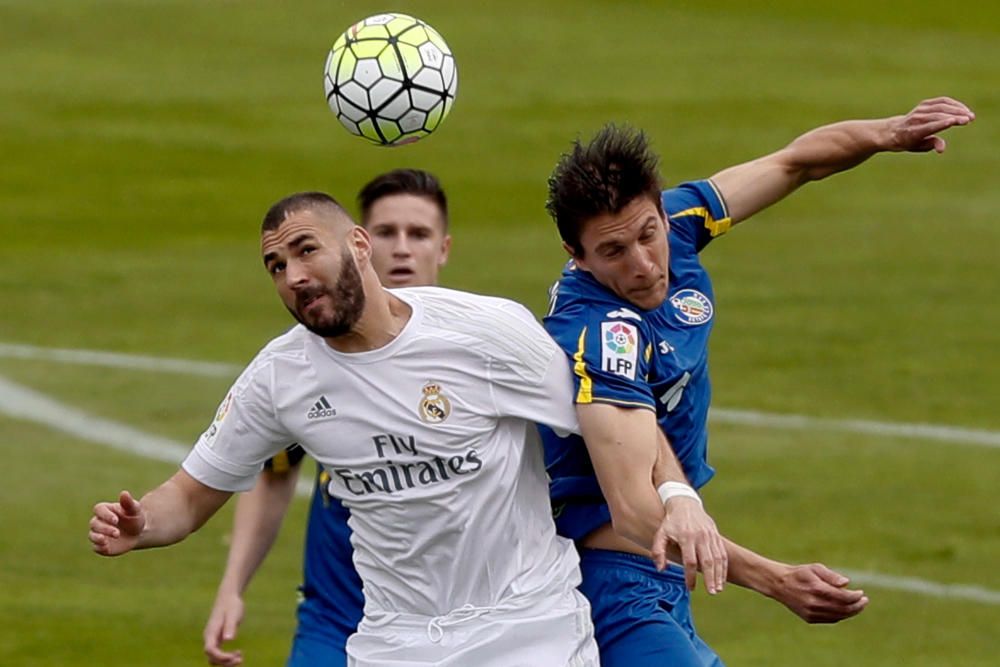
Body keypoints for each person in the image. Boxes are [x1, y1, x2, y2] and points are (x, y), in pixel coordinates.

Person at [89, 189, 617, 666]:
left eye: (305, 250)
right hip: (395, 642)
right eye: (274, 266)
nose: (292, 275)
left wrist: (670, 498)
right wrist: (142, 525)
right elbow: (189, 495)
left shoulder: (485, 331)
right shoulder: (280, 378)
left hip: (526, 627)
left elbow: (613, 423)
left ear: (359, 244)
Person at [541, 96, 975, 666]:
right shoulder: (600, 333)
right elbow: (636, 511)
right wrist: (778, 581)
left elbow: (795, 163)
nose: (643, 263)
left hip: (661, 580)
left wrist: (886, 132)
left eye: (648, 234)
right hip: (612, 583)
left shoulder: (679, 222)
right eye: (613, 252)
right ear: (577, 256)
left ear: (659, 211)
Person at [202, 169, 453, 667]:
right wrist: (232, 586)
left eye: (418, 234)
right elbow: (272, 471)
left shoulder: (477, 345)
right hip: (338, 617)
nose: (401, 249)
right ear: (359, 244)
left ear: (443, 248)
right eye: (386, 232)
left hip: (451, 624)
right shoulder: (307, 361)